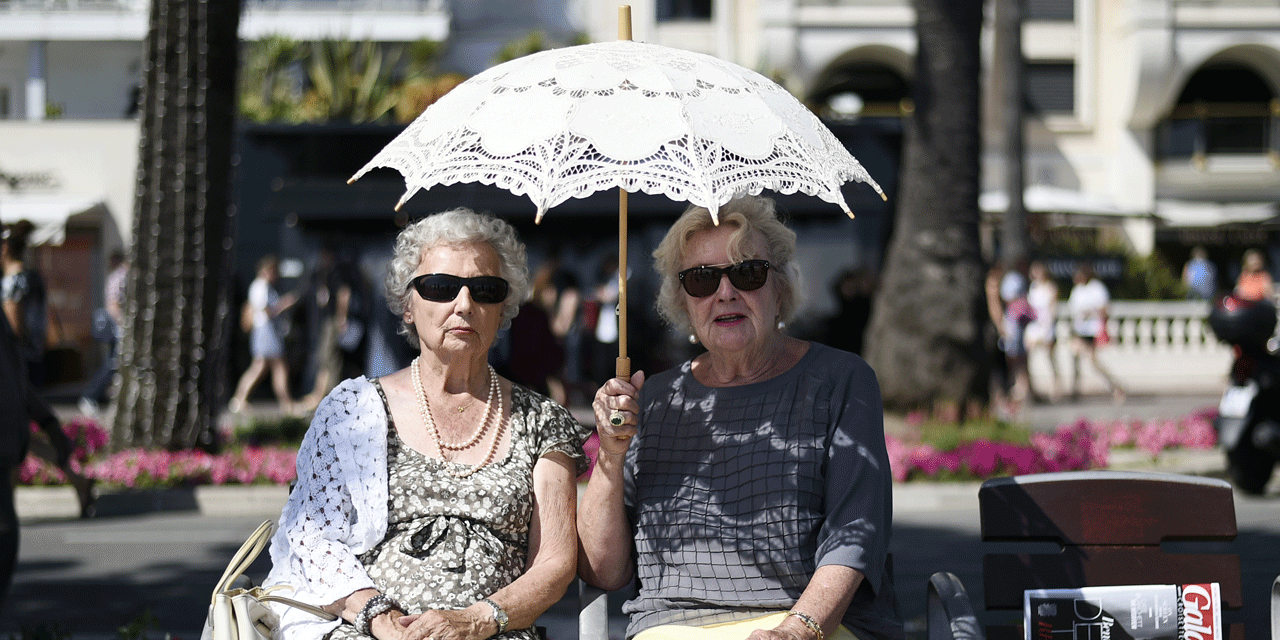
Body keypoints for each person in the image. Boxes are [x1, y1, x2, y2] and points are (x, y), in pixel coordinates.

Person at [579, 195, 903, 640]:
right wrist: (611, 457)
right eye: (702, 279)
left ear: (780, 287)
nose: (725, 292)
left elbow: (855, 534)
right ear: (684, 300)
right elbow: (602, 570)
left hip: (809, 624)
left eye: (747, 273)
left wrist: (797, 629)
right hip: (672, 628)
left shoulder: (840, 381)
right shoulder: (653, 399)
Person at [263, 208, 589, 640]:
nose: (464, 305)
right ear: (407, 307)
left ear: (503, 308)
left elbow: (554, 562)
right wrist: (378, 619)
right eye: (440, 287)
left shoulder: (543, 421)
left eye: (486, 290)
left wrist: (476, 621)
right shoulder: (352, 409)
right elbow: (312, 536)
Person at [230, 254, 299, 414]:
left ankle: (239, 399)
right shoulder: (260, 286)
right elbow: (266, 311)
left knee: (262, 368)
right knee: (278, 367)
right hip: (266, 331)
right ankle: (286, 403)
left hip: (266, 331)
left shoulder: (263, 286)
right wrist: (284, 304)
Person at [80, 250, 129, 416]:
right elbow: (113, 304)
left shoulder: (118, 275)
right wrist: (124, 324)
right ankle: (90, 396)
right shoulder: (120, 276)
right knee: (112, 364)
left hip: (119, 328)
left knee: (114, 364)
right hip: (119, 328)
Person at [1066, 263, 1124, 404]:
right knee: (1074, 355)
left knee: (1093, 362)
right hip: (1080, 330)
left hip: (1092, 330)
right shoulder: (1077, 291)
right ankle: (1074, 388)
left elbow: (1104, 309)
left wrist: (1090, 313)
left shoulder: (1096, 288)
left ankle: (1115, 386)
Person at [1, 220, 48, 388]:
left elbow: (14, 328)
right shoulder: (33, 276)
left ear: (5, 249)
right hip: (35, 355)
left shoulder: (12, 282)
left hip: (18, 361)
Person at [1024, 261, 1061, 402]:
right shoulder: (1032, 287)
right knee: (1028, 357)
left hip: (1046, 326)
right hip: (1033, 326)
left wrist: (1047, 328)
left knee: (1049, 358)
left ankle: (1055, 386)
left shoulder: (1051, 288)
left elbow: (1052, 309)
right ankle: (1030, 387)